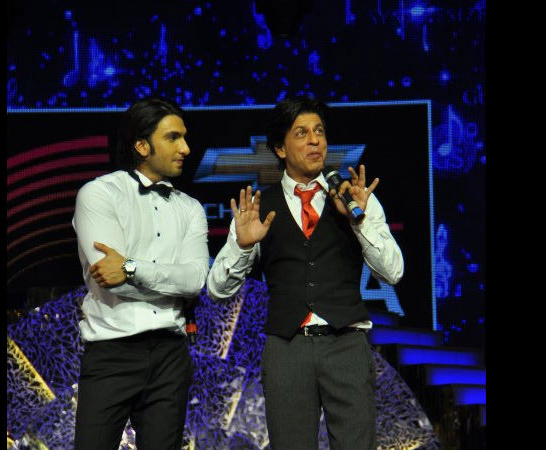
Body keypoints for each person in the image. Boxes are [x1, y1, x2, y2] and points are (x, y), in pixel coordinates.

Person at [207, 96, 404, 450]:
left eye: (319, 131)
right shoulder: (259, 207)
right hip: (287, 349)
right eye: (302, 133)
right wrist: (243, 246)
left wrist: (358, 223)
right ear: (280, 148)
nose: (315, 140)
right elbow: (217, 289)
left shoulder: (355, 199)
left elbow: (394, 272)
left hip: (346, 344)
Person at [72, 98, 209, 450]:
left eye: (184, 138)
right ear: (142, 146)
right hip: (111, 352)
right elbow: (110, 278)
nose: (186, 148)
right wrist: (169, 282)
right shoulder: (99, 194)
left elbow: (195, 281)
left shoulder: (190, 209)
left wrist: (132, 269)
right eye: (173, 138)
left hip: (170, 356)